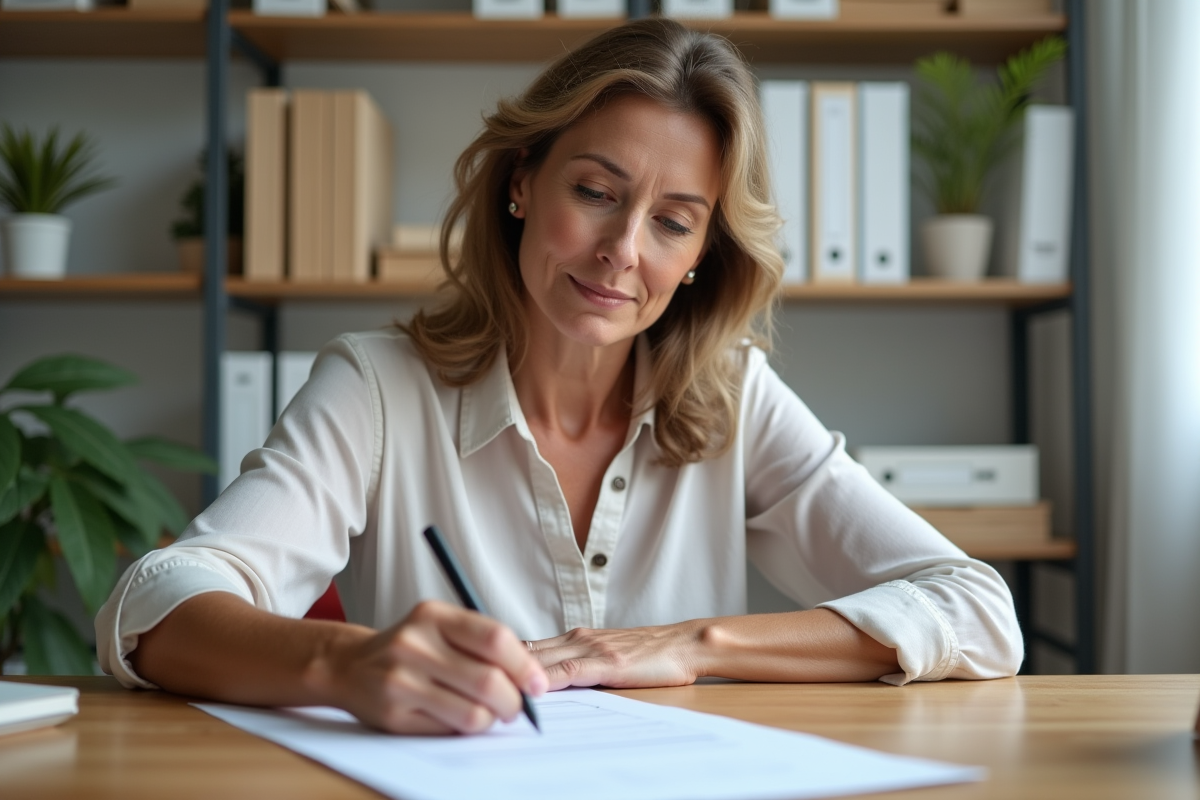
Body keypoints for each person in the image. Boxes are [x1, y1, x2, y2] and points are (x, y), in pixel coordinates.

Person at [96, 18, 1022, 735]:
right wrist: (345, 664)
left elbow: (976, 609)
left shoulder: (731, 396)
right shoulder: (377, 387)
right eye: (595, 192)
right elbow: (159, 601)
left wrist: (690, 646)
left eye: (673, 220)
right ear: (521, 182)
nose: (622, 251)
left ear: (702, 252)